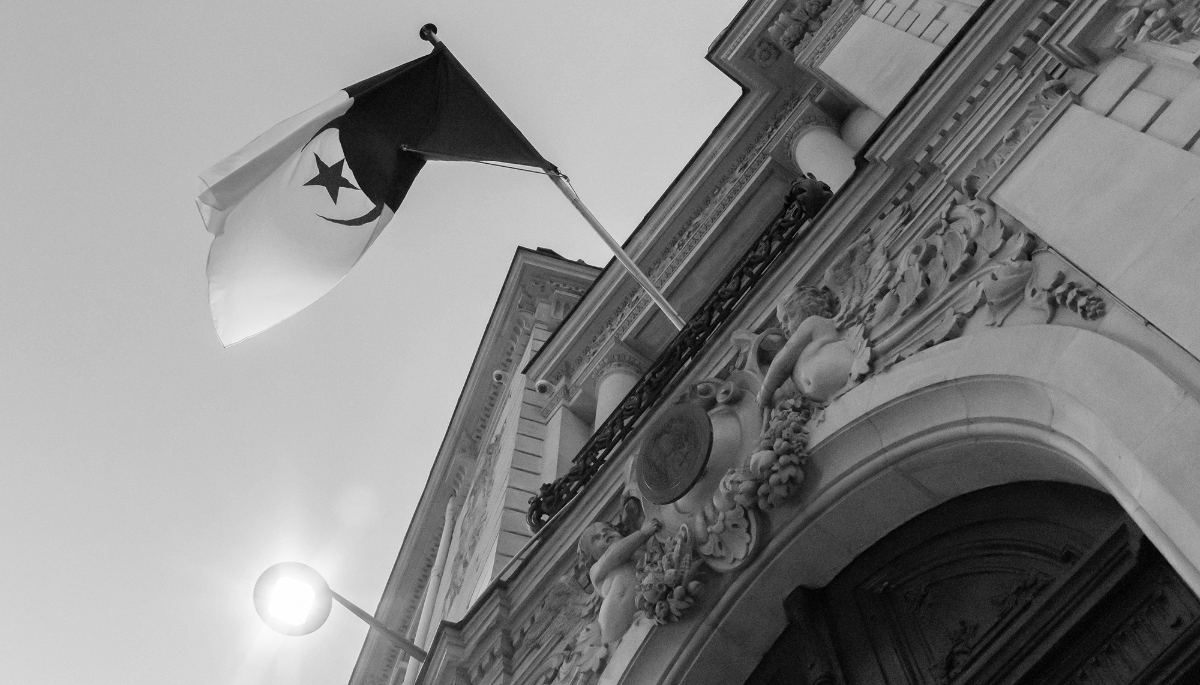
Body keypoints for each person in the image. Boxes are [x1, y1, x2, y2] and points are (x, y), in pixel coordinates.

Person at [757, 284, 852, 407]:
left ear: (808, 307)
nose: (784, 327)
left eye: (788, 317)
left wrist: (765, 392)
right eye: (781, 323)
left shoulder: (812, 322)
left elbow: (781, 362)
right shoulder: (805, 344)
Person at [579, 517, 662, 645]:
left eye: (606, 529)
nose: (603, 534)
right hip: (616, 636)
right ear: (591, 557)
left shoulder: (639, 551)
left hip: (650, 611)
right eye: (596, 539)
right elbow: (615, 554)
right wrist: (643, 533)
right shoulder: (596, 570)